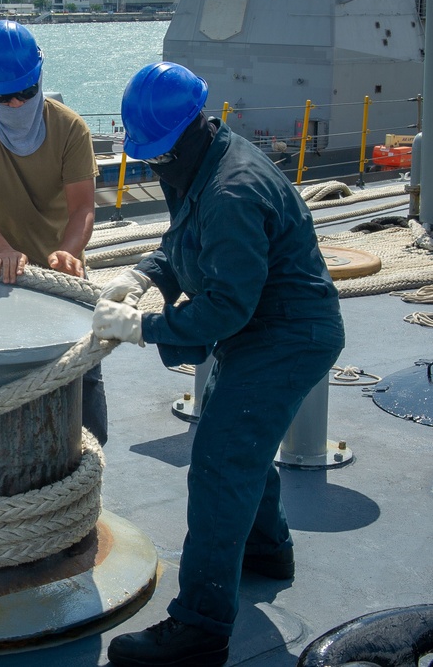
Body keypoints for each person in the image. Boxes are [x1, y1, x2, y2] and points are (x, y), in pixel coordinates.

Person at [93, 62, 344, 667]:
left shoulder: (231, 188)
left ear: (185, 133)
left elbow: (228, 305)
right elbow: (189, 240)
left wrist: (144, 327)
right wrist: (146, 272)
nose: (153, 164)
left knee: (220, 460)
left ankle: (199, 630)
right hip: (271, 327)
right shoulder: (203, 157)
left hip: (284, 336)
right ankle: (266, 550)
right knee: (242, 443)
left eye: (156, 153)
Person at [0, 20, 108, 445]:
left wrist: (70, 252)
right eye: (3, 96)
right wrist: (1, 250)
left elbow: (82, 207)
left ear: (39, 79)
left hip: (61, 278)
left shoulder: (70, 128)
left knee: (84, 395)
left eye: (25, 92)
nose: (16, 105)